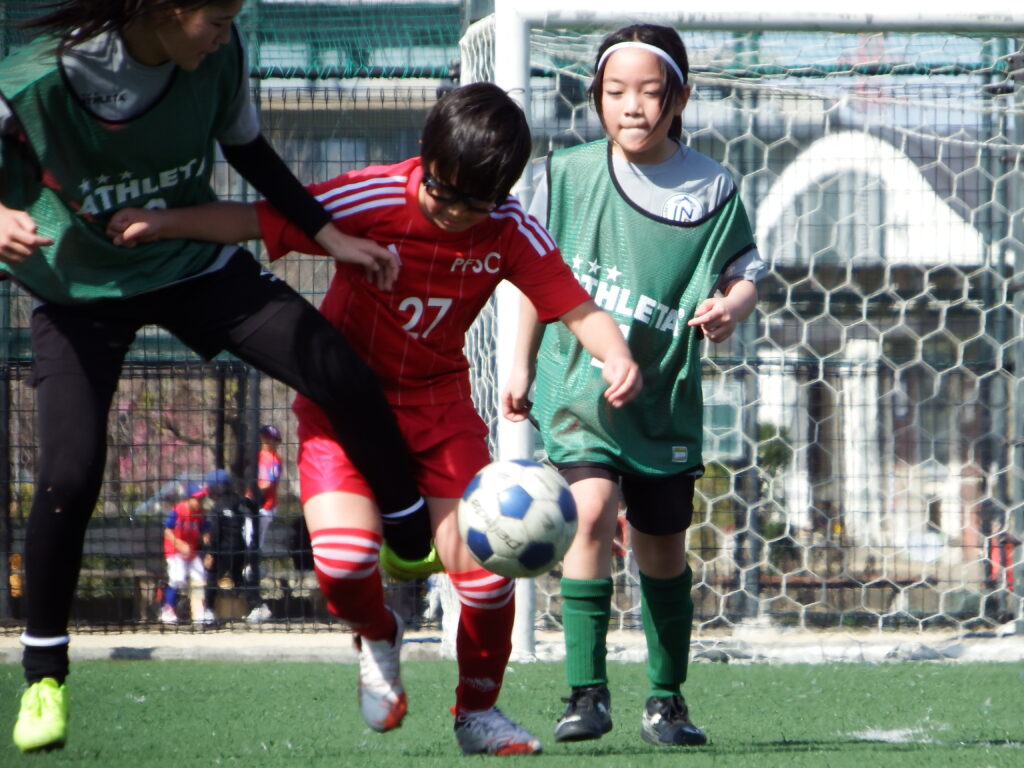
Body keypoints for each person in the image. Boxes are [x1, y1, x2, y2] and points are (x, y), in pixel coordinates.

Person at [104, 81, 642, 755]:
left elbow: (578, 307)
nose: (455, 213)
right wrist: (164, 223)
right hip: (345, 408)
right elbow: (258, 218)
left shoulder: (510, 228)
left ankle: (478, 712)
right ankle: (379, 634)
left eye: (476, 202)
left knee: (487, 576)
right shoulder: (374, 197)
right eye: (443, 192)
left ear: (502, 193)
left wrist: (617, 354)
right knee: (343, 562)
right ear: (425, 156)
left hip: (440, 409)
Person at [0, 1, 429, 753]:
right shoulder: (37, 77)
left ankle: (407, 537)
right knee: (68, 475)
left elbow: (253, 154)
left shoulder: (219, 62)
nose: (228, 34)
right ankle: (43, 678)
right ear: (164, 10)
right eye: (218, 18)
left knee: (335, 367)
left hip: (191, 264)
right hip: (77, 290)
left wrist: (328, 235)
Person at [502, 23, 764, 748]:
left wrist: (731, 308)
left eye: (650, 92)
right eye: (616, 91)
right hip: (578, 390)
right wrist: (520, 361)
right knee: (588, 515)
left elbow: (746, 272)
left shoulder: (712, 186)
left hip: (663, 399)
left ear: (679, 99)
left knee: (661, 551)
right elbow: (533, 275)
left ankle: (666, 700)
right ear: (596, 97)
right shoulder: (566, 174)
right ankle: (585, 693)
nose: (632, 106)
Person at [242, 424, 283, 623]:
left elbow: (267, 484)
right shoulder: (257, 455)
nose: (266, 441)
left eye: (270, 438)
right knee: (245, 539)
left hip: (264, 507)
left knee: (252, 543)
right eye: (265, 437)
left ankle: (253, 566)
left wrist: (251, 493)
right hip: (252, 505)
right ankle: (251, 566)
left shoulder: (274, 459)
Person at [160, 482, 216, 625]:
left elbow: (205, 533)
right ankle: (168, 609)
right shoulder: (177, 510)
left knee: (200, 577)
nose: (200, 502)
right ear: (189, 498)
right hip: (174, 551)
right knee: (178, 578)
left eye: (201, 499)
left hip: (192, 552)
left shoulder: (200, 514)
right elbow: (167, 530)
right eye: (197, 499)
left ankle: (199, 613)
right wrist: (179, 544)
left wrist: (207, 548)